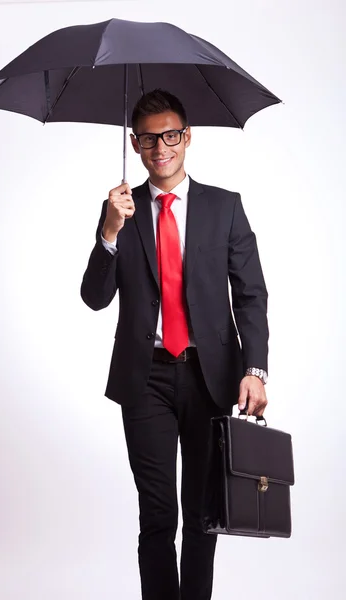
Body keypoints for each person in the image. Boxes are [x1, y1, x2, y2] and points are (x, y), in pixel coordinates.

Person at [80, 89, 269, 600]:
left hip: (211, 377)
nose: (160, 146)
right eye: (148, 138)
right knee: (158, 514)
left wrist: (256, 369)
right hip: (145, 379)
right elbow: (95, 298)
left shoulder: (224, 208)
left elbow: (251, 294)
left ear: (187, 138)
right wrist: (109, 232)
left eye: (170, 135)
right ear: (135, 145)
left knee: (204, 515)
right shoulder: (120, 209)